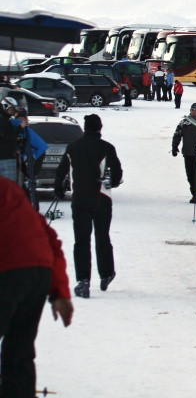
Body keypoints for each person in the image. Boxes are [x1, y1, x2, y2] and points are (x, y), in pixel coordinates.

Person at [0, 177, 74, 397]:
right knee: (19, 351)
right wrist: (60, 292)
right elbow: (50, 239)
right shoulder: (10, 188)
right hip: (38, 270)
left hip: (7, 268)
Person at [54, 114, 123, 299]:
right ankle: (107, 273)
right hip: (102, 198)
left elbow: (61, 171)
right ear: (100, 128)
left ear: (85, 128)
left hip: (80, 199)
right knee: (102, 236)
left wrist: (58, 188)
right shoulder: (107, 148)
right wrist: (113, 182)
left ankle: (83, 281)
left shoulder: (73, 147)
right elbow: (117, 174)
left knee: (81, 240)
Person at [172, 103, 196, 203]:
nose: (194, 111)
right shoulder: (184, 122)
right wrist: (175, 146)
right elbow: (177, 135)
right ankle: (194, 194)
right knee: (190, 175)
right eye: (192, 109)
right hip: (187, 153)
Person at [0, 96, 26, 182]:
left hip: (6, 156)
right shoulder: (4, 121)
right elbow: (8, 134)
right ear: (4, 107)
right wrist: (21, 127)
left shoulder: (6, 120)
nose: (12, 113)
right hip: (6, 158)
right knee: (9, 187)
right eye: (11, 110)